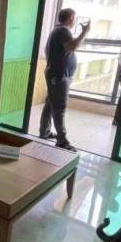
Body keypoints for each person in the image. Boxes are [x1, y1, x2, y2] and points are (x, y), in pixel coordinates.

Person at [39, 8, 90, 152]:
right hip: (59, 75)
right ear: (71, 18)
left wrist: (52, 65)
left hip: (56, 74)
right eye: (74, 18)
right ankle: (62, 141)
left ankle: (45, 132)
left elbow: (46, 50)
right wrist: (85, 32)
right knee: (59, 107)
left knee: (51, 103)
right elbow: (73, 46)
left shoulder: (57, 30)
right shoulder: (63, 31)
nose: (74, 21)